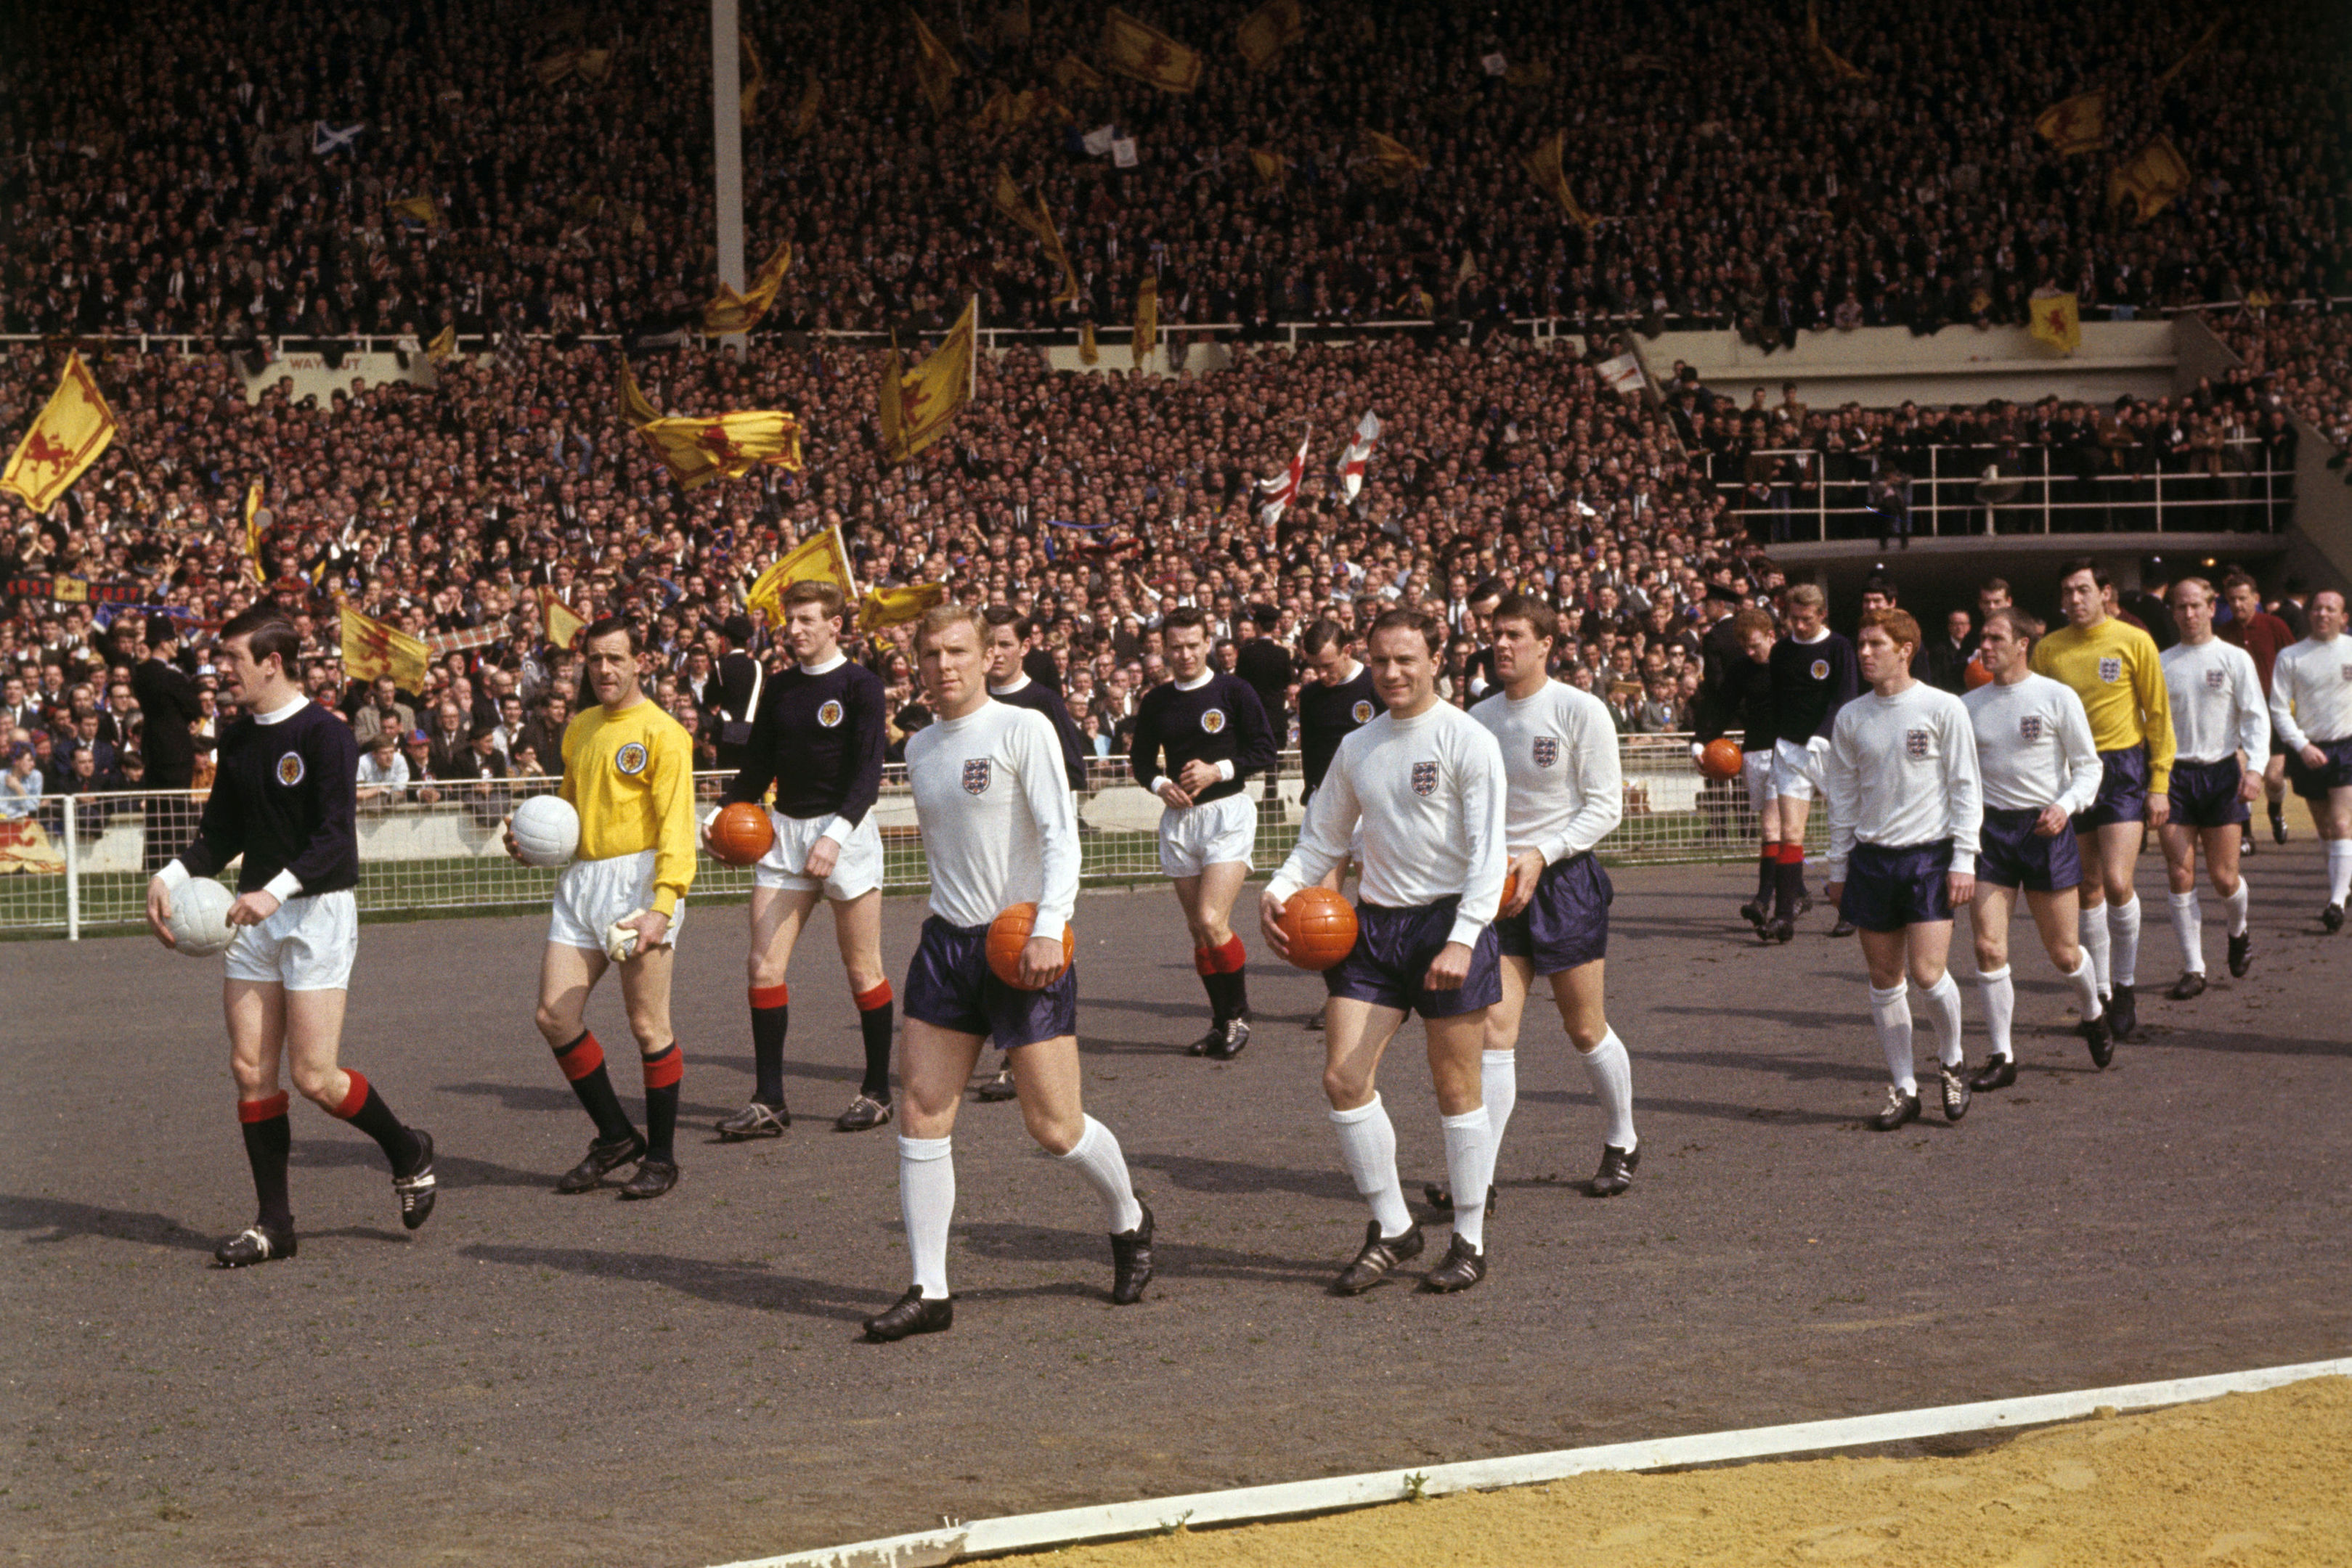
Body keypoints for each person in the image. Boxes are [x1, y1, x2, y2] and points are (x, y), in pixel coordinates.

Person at [864, 604, 1152, 1342]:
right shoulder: (922, 746)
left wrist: (1049, 928)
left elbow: (1061, 837)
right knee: (923, 1112)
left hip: (1025, 943)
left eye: (957, 650)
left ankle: (1128, 1216)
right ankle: (930, 1289)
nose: (944, 665)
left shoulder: (1023, 728)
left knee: (1054, 1128)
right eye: (929, 654)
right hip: (947, 947)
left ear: (985, 655)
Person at [142, 606, 435, 1266]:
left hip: (314, 913)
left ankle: (406, 1148)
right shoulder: (237, 737)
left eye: (234, 661)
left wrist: (273, 891)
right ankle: (275, 1225)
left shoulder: (327, 736)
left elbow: (335, 840)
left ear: (272, 663)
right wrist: (171, 872)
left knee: (314, 1076)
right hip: (254, 915)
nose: (222, 674)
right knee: (250, 1070)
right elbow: (222, 831)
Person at [1261, 608, 1509, 1295]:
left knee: (1456, 1089)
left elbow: (1490, 859)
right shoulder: (1358, 745)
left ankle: (1468, 1239)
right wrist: (1280, 887)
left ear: (1436, 659)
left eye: (1406, 659)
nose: (1392, 672)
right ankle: (1394, 1228)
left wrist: (1463, 939)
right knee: (1343, 1079)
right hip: (1373, 929)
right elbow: (1322, 839)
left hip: (1446, 926)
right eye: (1380, 660)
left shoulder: (1467, 739)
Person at [508, 616, 697, 1199]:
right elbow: (567, 811)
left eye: (616, 658)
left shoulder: (665, 733)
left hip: (641, 885)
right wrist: (534, 844)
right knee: (553, 1016)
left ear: (641, 661)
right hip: (582, 882)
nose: (606, 670)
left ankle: (662, 1158)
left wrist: (663, 905)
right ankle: (615, 1135)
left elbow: (677, 828)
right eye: (595, 660)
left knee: (647, 1025)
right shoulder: (581, 727)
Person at [1462, 593, 1637, 1202]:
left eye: (1513, 635)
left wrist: (1543, 852)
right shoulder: (1478, 718)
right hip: (1501, 889)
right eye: (1495, 634)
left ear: (1546, 645)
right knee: (1493, 1030)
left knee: (1584, 1028)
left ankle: (1621, 1138)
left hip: (1563, 884)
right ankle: (1477, 1172)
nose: (1501, 645)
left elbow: (1604, 807)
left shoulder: (1579, 710)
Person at [709, 581, 894, 1138]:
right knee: (762, 966)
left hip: (846, 833)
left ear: (835, 625)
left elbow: (867, 773)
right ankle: (769, 1101)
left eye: (807, 619)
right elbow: (756, 765)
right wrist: (718, 815)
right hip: (784, 835)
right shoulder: (782, 686)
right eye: (790, 620)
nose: (794, 630)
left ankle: (877, 1090)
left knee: (862, 968)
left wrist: (835, 835)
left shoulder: (862, 685)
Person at [1822, 608, 1983, 1131]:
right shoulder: (1850, 717)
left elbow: (1965, 787)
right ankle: (1903, 1087)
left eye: (1874, 644)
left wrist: (1964, 857)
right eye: (1860, 644)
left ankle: (1952, 1058)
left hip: (1929, 857)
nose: (1864, 653)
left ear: (1904, 649)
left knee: (1928, 974)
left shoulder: (1942, 708)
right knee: (1883, 978)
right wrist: (1837, 865)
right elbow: (1842, 798)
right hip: (1871, 860)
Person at [1960, 608, 2109, 1086]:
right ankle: (2002, 1056)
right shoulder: (1967, 705)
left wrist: (2065, 805)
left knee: (2064, 953)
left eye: (1995, 637)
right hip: (1990, 835)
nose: (1984, 645)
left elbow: (2089, 766)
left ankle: (2092, 1010)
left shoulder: (2055, 696)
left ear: (2022, 642)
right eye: (1982, 637)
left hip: (2045, 831)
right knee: (1987, 946)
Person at [2029, 559, 2175, 1043]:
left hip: (2123, 769)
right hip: (2071, 773)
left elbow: (2157, 716)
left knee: (2116, 881)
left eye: (2083, 590)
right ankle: (2103, 992)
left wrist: (2159, 782)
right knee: (2087, 887)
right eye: (2067, 592)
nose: (2074, 599)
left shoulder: (2133, 640)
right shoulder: (2048, 648)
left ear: (2103, 592)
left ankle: (2126, 984)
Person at [1129, 605, 1278, 1060]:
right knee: (1198, 931)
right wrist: (1161, 785)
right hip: (1181, 821)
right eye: (1176, 647)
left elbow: (1265, 749)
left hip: (1228, 813)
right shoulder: (1156, 701)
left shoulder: (1234, 690)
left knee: (1214, 920)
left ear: (1208, 641)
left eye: (1194, 645)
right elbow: (1139, 762)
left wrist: (1218, 770)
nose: (1186, 654)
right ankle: (1220, 1022)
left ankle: (1239, 1015)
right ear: (1163, 648)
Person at [972, 606, 1092, 1101]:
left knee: (1028, 937)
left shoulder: (1041, 701)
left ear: (1025, 646)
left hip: (1036, 841)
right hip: (986, 847)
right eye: (989, 644)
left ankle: (1019, 1057)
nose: (995, 654)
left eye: (1004, 644)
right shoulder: (969, 702)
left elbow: (1071, 770)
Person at [2157, 578, 2267, 997]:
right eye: (2180, 607)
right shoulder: (2162, 662)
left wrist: (2255, 769)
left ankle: (2238, 931)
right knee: (2180, 872)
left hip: (2222, 774)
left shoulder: (2234, 659)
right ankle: (2193, 968)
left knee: (2224, 879)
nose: (2188, 614)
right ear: (2173, 612)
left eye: (2195, 606)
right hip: (2175, 777)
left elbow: (2256, 717)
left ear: (2210, 607)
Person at [1764, 583, 1860, 941]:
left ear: (1822, 615)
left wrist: (1823, 735)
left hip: (1830, 749)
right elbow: (1775, 699)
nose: (1799, 626)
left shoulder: (1840, 647)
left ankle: (1848, 909)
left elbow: (1846, 697)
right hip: (1790, 750)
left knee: (1842, 828)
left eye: (1806, 620)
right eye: (1793, 619)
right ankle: (1784, 915)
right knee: (1790, 833)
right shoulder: (1782, 650)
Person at [2268, 589, 2352, 929]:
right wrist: (2301, 746)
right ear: (2308, 614)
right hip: (2308, 750)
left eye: (2331, 609)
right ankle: (2342, 883)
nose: (2323, 614)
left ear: (2344, 617)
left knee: (2343, 823)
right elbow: (2278, 707)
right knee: (2327, 830)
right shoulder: (2291, 656)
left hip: (2346, 746)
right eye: (2317, 608)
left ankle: (2334, 903)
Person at [1697, 607, 1778, 927]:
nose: (1750, 651)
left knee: (1773, 828)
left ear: (1772, 636)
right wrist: (1702, 741)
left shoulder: (1788, 663)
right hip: (1755, 753)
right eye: (1744, 646)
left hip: (1788, 752)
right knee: (1776, 830)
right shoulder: (1742, 669)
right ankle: (1795, 890)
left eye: (1755, 644)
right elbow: (1720, 706)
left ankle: (1764, 899)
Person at [2218, 570, 2299, 850]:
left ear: (2256, 598)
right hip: (2238, 711)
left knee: (2274, 777)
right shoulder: (2224, 633)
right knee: (2240, 773)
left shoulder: (2275, 626)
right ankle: (2246, 833)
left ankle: (2276, 812)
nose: (2238, 605)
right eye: (2232, 600)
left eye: (2243, 598)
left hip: (2273, 708)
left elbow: (2294, 665)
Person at [131, 614, 204, 874]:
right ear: (164, 643)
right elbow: (195, 706)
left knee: (157, 809)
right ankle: (176, 863)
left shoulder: (140, 674)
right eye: (173, 641)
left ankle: (154, 863)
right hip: (175, 748)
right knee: (177, 810)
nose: (176, 645)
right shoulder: (170, 677)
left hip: (153, 746)